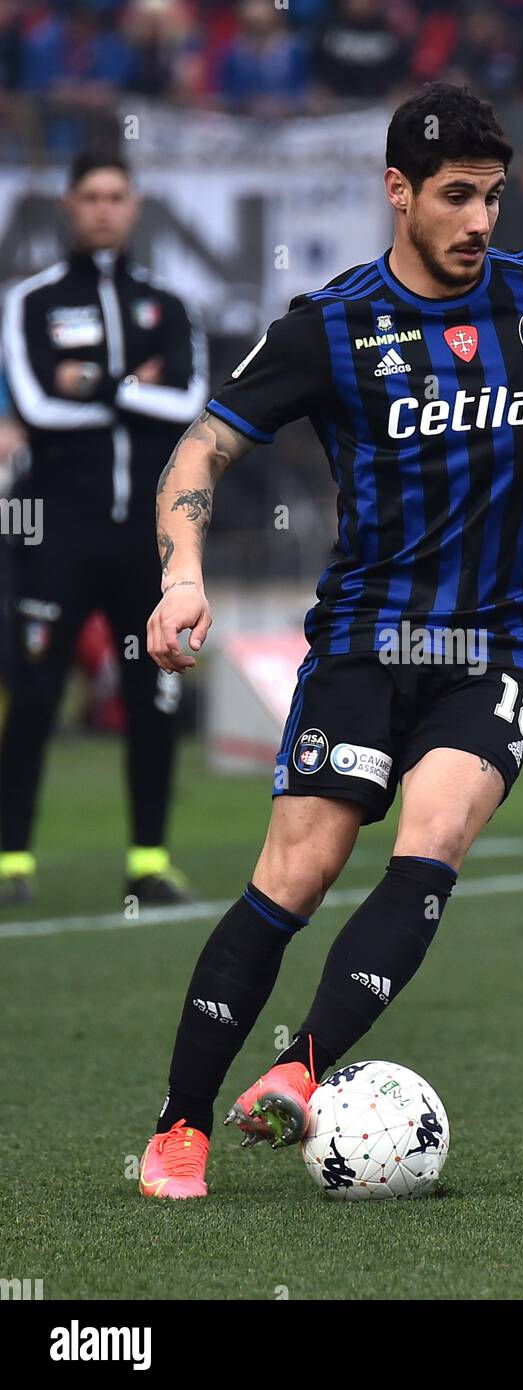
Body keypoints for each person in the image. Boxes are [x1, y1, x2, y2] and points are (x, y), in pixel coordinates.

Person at [137, 83, 523, 1200]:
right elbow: (199, 453)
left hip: (501, 641)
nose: (480, 221)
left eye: (494, 197)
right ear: (397, 192)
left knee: (430, 842)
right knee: (299, 867)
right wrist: (183, 573)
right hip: (366, 641)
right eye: (457, 197)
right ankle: (178, 1128)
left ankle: (299, 1067)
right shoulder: (330, 325)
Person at [0, 152, 208, 906]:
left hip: (140, 542)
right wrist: (134, 384)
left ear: (136, 203)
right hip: (55, 532)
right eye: (89, 196)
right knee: (34, 692)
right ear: (67, 204)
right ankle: (11, 859)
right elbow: (36, 403)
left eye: (116, 196)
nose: (102, 209)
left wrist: (91, 379)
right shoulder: (31, 300)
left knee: (155, 692)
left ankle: (149, 862)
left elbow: (190, 399)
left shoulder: (170, 304)